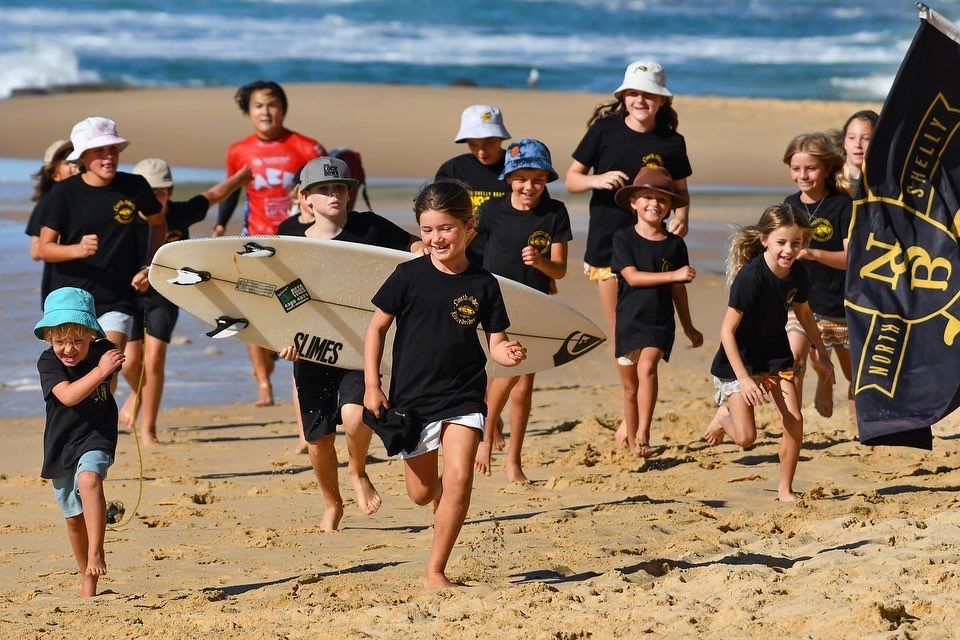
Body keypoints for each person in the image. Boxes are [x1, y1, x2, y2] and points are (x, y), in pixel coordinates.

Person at [364, 180, 526, 588]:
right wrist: (372, 384)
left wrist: (508, 353)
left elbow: (497, 342)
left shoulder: (484, 284)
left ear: (469, 227)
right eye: (427, 230)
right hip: (412, 400)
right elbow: (376, 329)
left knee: (459, 477)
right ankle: (442, 502)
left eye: (446, 228)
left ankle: (435, 570)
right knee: (421, 494)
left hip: (464, 395)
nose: (436, 238)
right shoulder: (407, 276)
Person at [285, 156, 422, 531]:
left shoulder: (370, 227)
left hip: (358, 343)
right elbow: (277, 298)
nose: (333, 194)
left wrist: (420, 250)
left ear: (349, 195)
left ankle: (358, 471)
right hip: (310, 346)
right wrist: (278, 342)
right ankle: (332, 502)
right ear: (305, 198)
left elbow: (410, 244)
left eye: (340, 188)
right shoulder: (288, 237)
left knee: (355, 414)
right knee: (319, 441)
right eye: (323, 189)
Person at [117, 158, 252, 446]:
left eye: (162, 192)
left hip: (165, 295)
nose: (155, 199)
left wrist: (240, 179)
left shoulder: (180, 214)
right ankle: (139, 393)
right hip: (127, 296)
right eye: (149, 193)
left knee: (153, 361)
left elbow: (214, 195)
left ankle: (149, 430)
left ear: (170, 191)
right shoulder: (125, 219)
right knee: (128, 364)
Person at [704, 205, 834, 502]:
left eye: (796, 243)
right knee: (747, 438)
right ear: (764, 239)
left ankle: (784, 488)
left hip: (776, 355)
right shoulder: (751, 278)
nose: (789, 250)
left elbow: (803, 311)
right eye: (781, 242)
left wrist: (821, 351)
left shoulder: (798, 271)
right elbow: (726, 332)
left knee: (794, 420)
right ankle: (724, 415)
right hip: (740, 361)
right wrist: (745, 380)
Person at [214, 80, 326, 407]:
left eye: (272, 104)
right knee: (252, 309)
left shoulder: (308, 148)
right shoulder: (239, 150)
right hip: (255, 239)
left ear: (283, 108)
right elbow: (234, 189)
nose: (266, 111)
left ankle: (283, 360)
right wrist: (221, 222)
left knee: (292, 305)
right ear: (248, 112)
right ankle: (263, 382)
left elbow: (323, 191)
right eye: (258, 105)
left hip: (295, 239)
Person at [565, 60, 692, 341]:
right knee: (620, 331)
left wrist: (682, 217)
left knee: (647, 329)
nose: (640, 100)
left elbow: (681, 192)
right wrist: (595, 180)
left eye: (648, 94)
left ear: (662, 99)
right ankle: (630, 387)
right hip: (606, 241)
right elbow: (571, 180)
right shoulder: (604, 130)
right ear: (623, 97)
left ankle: (641, 383)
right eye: (634, 93)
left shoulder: (672, 142)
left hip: (652, 245)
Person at [37, 117, 165, 386]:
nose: (109, 156)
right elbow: (44, 248)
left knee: (108, 365)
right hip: (70, 299)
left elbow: (158, 223)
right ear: (82, 156)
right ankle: (85, 426)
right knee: (80, 373)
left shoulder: (135, 186)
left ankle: (103, 426)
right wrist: (76, 249)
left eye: (113, 149)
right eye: (99, 150)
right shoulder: (62, 194)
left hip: (117, 296)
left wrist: (150, 267)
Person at [471, 139, 571, 484]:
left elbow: (559, 270)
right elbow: (467, 246)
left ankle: (513, 460)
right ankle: (486, 435)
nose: (530, 187)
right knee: (509, 371)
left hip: (535, 303)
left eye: (538, 179)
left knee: (524, 386)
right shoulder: (492, 211)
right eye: (522, 178)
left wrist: (542, 262)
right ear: (509, 177)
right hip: (497, 301)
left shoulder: (555, 213)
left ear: (546, 179)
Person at [34, 287, 125, 597]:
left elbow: (111, 381)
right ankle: (86, 577)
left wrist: (111, 365)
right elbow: (69, 396)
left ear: (91, 335)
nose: (69, 349)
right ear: (49, 339)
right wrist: (101, 371)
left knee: (89, 480)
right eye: (60, 341)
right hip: (61, 442)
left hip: (97, 434)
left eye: (77, 341)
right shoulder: (48, 363)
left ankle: (97, 555)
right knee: (73, 520)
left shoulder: (105, 350)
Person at [610, 167, 703, 458]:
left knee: (647, 367)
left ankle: (643, 434)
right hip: (628, 321)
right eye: (647, 197)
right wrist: (674, 275)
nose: (654, 204)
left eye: (662, 199)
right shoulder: (623, 238)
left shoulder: (676, 245)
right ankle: (632, 440)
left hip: (659, 323)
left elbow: (679, 291)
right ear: (633, 202)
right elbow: (633, 277)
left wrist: (688, 326)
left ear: (669, 207)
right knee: (629, 388)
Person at [782, 133, 853, 420]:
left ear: (826, 168)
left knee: (854, 376)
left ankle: (826, 377)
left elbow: (852, 260)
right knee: (794, 361)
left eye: (810, 168)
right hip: (801, 303)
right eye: (796, 169)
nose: (803, 175)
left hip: (841, 305)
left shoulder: (843, 205)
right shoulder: (789, 205)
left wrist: (814, 254)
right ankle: (793, 424)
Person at [25, 139, 78, 305]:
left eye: (77, 161)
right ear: (55, 172)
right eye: (68, 162)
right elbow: (36, 251)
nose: (75, 167)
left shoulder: (86, 198)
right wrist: (74, 247)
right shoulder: (47, 202)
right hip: (60, 288)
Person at [838, 110, 879, 197]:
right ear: (844, 142)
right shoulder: (831, 181)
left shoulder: (886, 185)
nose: (858, 144)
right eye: (852, 137)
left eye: (866, 138)